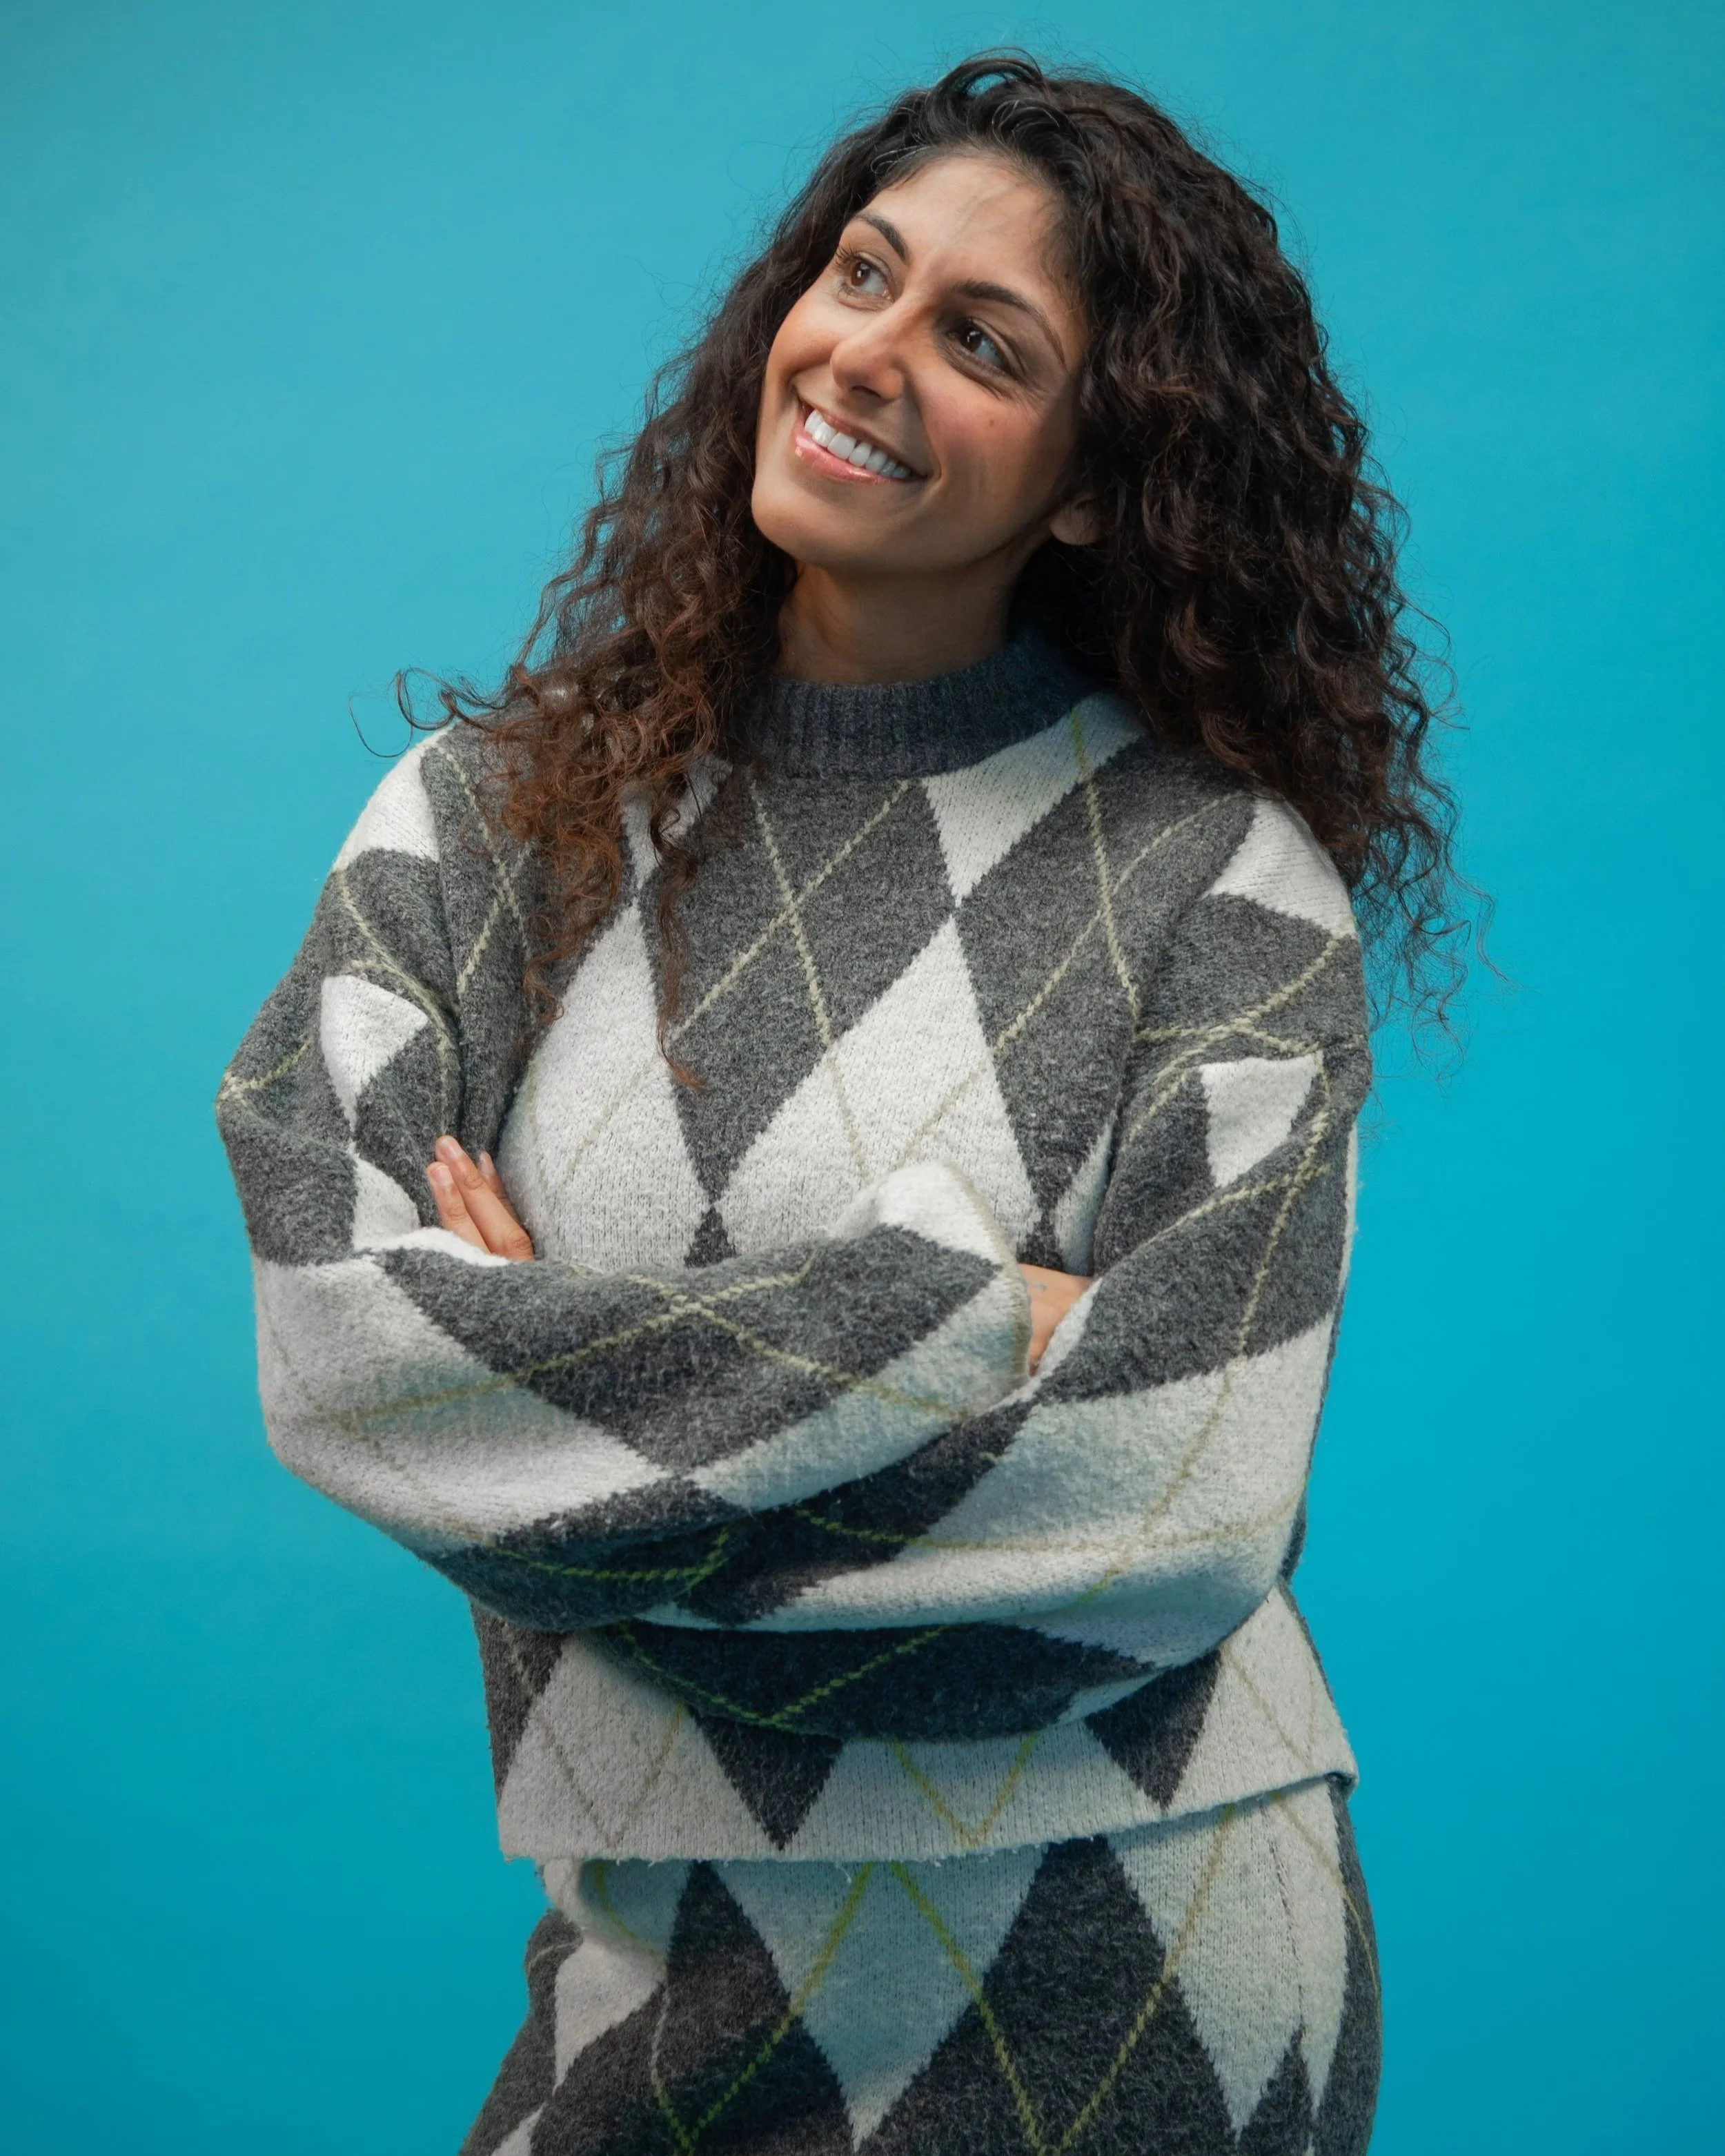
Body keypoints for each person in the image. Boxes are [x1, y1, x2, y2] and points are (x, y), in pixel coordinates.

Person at [219, 52, 1461, 2155]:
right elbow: (353, 1365)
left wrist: (570, 1433)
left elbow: (1178, 1513)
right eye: (861, 273)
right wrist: (966, 1310)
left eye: (982, 342)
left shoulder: (1222, 882)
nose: (868, 353)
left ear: (1088, 474)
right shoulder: (496, 823)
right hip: (645, 1924)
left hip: (1135, 1968)